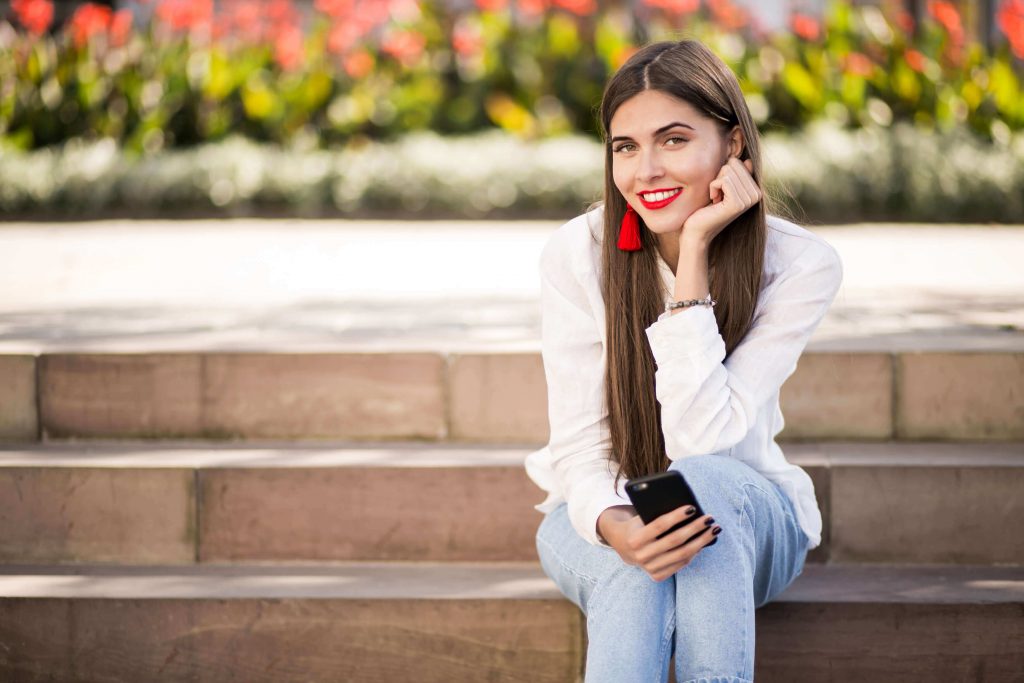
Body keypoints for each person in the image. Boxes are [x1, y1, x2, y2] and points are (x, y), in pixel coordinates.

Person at [524, 39, 844, 682]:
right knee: (634, 570)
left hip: (748, 522)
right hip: (601, 506)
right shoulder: (578, 253)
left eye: (673, 140)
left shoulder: (798, 264)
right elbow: (581, 449)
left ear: (732, 147)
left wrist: (694, 251)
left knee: (706, 489)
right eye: (625, 147)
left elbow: (702, 442)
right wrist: (612, 522)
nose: (645, 171)